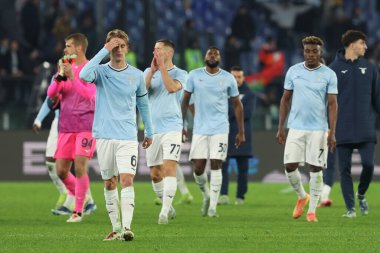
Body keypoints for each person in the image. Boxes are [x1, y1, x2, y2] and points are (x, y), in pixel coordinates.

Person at [80, 29, 153, 241]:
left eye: (122, 46)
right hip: (104, 135)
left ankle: (128, 228)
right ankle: (116, 228)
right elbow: (83, 75)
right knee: (109, 182)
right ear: (109, 47)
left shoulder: (137, 75)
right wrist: (104, 49)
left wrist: (148, 130)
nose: (118, 50)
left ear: (127, 48)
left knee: (127, 179)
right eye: (114, 46)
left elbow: (143, 104)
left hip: (128, 136)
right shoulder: (101, 72)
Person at [276, 36, 338, 222]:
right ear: (303, 52)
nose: (310, 55)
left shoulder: (329, 74)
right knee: (289, 166)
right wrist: (280, 127)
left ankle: (312, 211)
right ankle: (303, 196)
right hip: (295, 127)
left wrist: (332, 132)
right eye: (307, 51)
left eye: (314, 52)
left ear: (321, 53)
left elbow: (333, 105)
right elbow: (285, 100)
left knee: (315, 168)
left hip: (318, 129)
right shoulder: (293, 71)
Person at [182, 46, 245, 217]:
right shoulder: (194, 75)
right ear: (205, 57)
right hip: (200, 129)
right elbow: (185, 99)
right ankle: (206, 196)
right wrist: (182, 124)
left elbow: (237, 104)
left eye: (216, 54)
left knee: (217, 164)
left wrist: (241, 131)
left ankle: (213, 208)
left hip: (220, 128)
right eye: (210, 53)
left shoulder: (227, 78)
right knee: (198, 168)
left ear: (220, 58)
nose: (212, 56)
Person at [329, 30, 380, 218]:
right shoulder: (332, 69)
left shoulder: (371, 68)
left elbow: (377, 99)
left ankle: (361, 194)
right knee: (344, 170)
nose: (366, 47)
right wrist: (329, 128)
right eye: (362, 43)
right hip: (341, 129)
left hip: (366, 127)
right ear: (352, 45)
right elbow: (327, 103)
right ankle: (350, 208)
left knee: (368, 165)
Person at [47, 33, 96, 223]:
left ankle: (77, 211)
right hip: (66, 127)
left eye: (68, 46)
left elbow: (89, 96)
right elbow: (51, 94)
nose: (64, 49)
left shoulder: (90, 69)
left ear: (79, 48)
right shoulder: (64, 68)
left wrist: (72, 77)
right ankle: (85, 198)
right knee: (61, 171)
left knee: (80, 166)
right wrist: (60, 76)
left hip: (85, 125)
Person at [143, 39, 188, 224]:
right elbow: (141, 92)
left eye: (159, 49)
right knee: (155, 173)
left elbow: (171, 88)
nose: (155, 52)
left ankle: (164, 212)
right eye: (154, 49)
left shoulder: (181, 73)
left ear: (169, 53)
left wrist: (161, 69)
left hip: (172, 127)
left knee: (169, 168)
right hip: (152, 129)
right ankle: (167, 205)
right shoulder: (148, 72)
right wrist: (153, 71)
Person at [33, 88, 97, 216]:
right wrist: (39, 119)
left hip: (81, 123)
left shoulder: (85, 74)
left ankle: (74, 201)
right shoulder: (58, 76)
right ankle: (74, 196)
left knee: (78, 165)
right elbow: (50, 99)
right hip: (60, 122)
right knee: (53, 162)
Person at [218, 66, 255, 205]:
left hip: (242, 135)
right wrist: (238, 109)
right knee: (222, 166)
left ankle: (240, 196)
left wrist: (231, 110)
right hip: (224, 134)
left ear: (243, 78)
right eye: (234, 77)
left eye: (239, 77)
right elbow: (221, 111)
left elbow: (248, 113)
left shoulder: (250, 95)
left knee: (243, 169)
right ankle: (223, 195)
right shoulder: (222, 93)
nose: (236, 79)